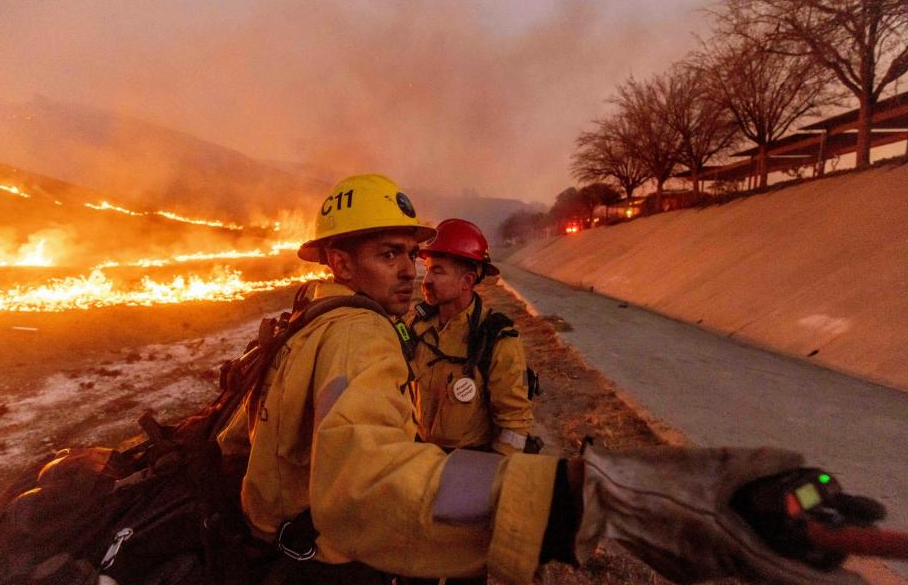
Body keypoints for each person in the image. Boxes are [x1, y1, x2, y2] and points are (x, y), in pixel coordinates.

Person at [217, 173, 874, 585]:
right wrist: (581, 497)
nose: (414, 271)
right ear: (340, 259)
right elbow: (367, 480)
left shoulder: (306, 325)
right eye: (390, 254)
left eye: (416, 255)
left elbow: (245, 445)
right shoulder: (360, 334)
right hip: (333, 559)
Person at [409, 218, 533, 455]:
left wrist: (489, 475)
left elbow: (514, 424)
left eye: (437, 271)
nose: (426, 281)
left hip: (467, 463)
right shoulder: (415, 326)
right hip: (418, 459)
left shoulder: (498, 340)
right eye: (427, 270)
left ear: (466, 281)